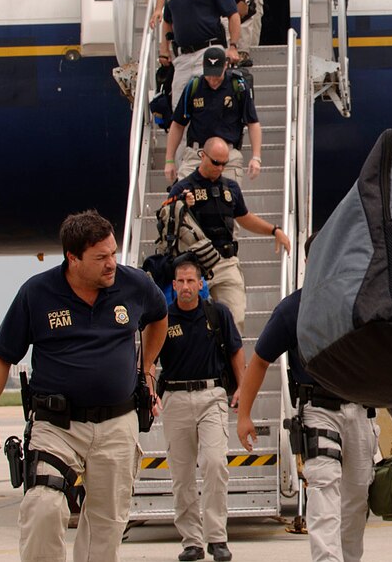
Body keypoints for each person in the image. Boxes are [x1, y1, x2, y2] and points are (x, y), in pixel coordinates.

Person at [0, 210, 168, 562]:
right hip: (57, 426)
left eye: (113, 253)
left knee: (107, 524)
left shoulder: (135, 284)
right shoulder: (37, 293)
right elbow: (1, 356)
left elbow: (158, 317)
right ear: (73, 258)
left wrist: (147, 368)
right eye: (101, 258)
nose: (112, 263)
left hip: (117, 423)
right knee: (44, 507)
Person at [238, 284, 378, 562]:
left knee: (357, 496)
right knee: (323, 487)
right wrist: (244, 415)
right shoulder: (294, 308)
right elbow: (260, 360)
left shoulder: (362, 299)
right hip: (318, 408)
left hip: (359, 408)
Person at [158, 256, 245, 562]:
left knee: (214, 464)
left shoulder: (217, 313)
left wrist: (243, 390)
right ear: (173, 285)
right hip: (176, 399)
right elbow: (149, 360)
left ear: (201, 284)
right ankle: (191, 541)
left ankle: (217, 537)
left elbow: (236, 351)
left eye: (190, 281)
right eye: (179, 281)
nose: (185, 287)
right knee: (182, 475)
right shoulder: (163, 319)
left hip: (212, 396)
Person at [168, 136, 291, 331]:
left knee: (234, 320)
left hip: (226, 262)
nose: (220, 168)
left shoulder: (230, 187)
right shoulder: (183, 188)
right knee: (195, 326)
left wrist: (274, 230)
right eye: (215, 162)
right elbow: (167, 222)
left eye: (224, 164)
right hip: (195, 265)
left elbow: (243, 216)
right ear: (203, 156)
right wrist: (181, 206)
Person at [160, 0, 242, 110]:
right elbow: (167, 21)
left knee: (209, 103)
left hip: (208, 51)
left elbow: (233, 15)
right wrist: (164, 50)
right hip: (182, 56)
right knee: (179, 106)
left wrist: (233, 46)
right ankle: (186, 137)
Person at [165, 47, 263, 184]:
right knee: (182, 199)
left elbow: (253, 123)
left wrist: (256, 157)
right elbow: (177, 124)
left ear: (225, 66)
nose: (212, 79)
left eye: (216, 74)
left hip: (228, 156)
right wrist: (169, 160)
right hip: (197, 154)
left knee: (229, 201)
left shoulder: (238, 86)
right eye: (209, 74)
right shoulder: (194, 86)